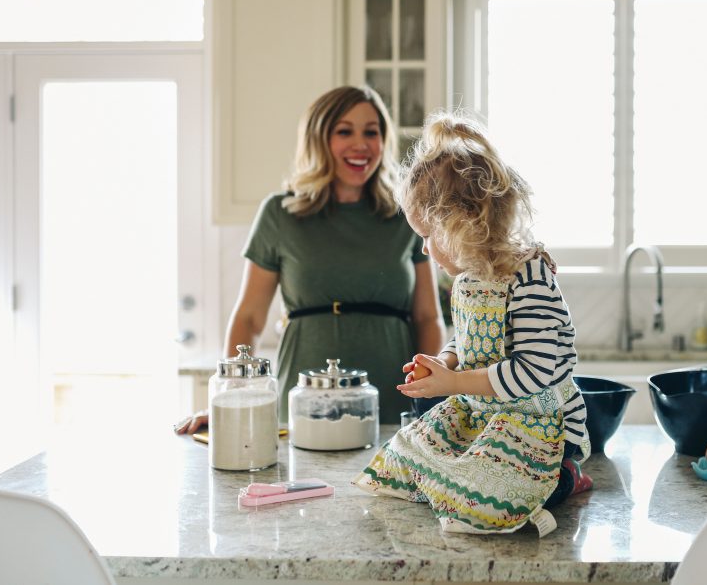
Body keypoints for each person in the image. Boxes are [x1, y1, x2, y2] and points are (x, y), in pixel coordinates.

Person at [352, 110, 592, 537]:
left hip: (542, 424)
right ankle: (468, 485)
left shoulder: (529, 275)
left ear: (461, 225)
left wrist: (455, 384)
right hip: (487, 414)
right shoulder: (468, 281)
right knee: (407, 456)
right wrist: (444, 361)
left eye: (428, 235)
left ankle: (565, 478)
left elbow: (534, 372)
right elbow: (467, 343)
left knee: (483, 495)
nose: (424, 249)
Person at [176, 85, 444, 433]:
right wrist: (230, 398)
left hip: (392, 403)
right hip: (302, 401)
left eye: (371, 132)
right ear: (318, 139)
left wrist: (429, 402)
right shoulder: (279, 213)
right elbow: (249, 318)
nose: (361, 144)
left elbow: (427, 318)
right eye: (344, 131)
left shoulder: (406, 216)